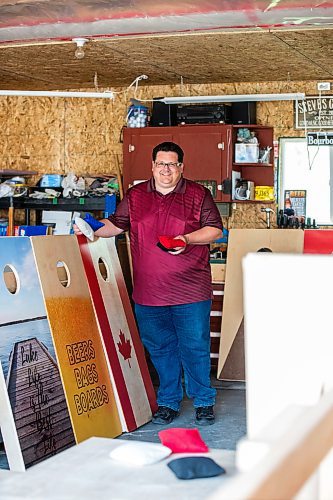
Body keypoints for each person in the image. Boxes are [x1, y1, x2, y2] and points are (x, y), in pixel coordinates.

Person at [74, 142, 223, 426]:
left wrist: (187, 239)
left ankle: (203, 401)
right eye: (161, 164)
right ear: (152, 166)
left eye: (172, 164)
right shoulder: (136, 195)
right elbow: (116, 225)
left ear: (181, 167)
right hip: (148, 292)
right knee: (160, 347)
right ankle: (168, 401)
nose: (166, 169)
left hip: (190, 289)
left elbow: (214, 229)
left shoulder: (198, 194)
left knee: (195, 346)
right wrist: (90, 228)